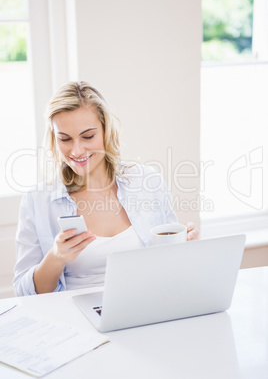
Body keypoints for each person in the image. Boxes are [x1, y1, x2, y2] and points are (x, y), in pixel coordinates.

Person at [13, 81, 199, 296]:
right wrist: (57, 256)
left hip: (146, 305)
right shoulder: (37, 201)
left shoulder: (147, 181)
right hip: (76, 316)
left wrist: (184, 245)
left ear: (106, 131)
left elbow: (170, 266)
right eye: (64, 139)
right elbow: (24, 293)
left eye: (88, 136)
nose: (77, 150)